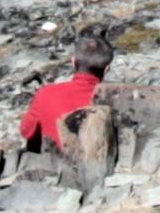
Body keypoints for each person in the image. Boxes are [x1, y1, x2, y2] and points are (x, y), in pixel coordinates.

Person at [19, 37, 117, 187]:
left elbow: (27, 131)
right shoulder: (115, 96)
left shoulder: (46, 93)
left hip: (56, 170)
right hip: (102, 169)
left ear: (73, 62)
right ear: (107, 69)